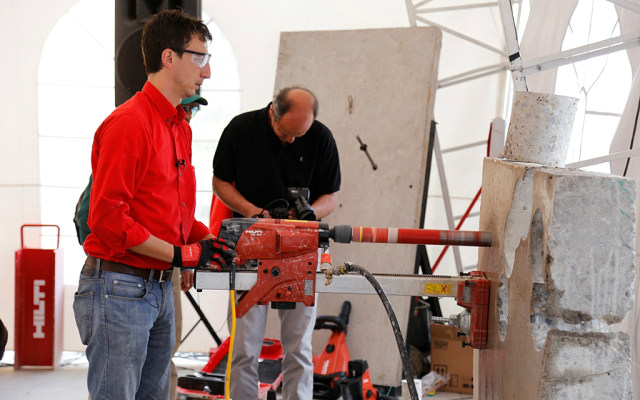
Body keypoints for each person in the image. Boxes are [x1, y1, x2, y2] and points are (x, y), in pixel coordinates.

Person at [72, 10, 235, 400]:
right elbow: (108, 220)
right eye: (200, 57)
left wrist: (212, 241)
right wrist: (185, 253)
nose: (207, 72)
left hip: (158, 289)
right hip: (120, 287)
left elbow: (172, 211)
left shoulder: (178, 125)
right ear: (168, 57)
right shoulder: (130, 124)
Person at [212, 86, 341, 399]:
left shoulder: (321, 138)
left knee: (298, 348)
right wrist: (254, 213)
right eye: (287, 133)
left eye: (301, 133)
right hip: (249, 246)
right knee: (244, 348)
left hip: (301, 249)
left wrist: (309, 216)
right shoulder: (241, 129)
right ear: (273, 112)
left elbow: (332, 196)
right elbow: (219, 182)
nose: (294, 140)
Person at [169, 93, 209, 400]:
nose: (191, 114)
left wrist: (205, 243)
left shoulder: (182, 136)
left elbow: (178, 212)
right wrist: (183, 256)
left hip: (165, 264)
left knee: (165, 349)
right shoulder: (138, 128)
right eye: (187, 107)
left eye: (193, 109)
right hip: (131, 270)